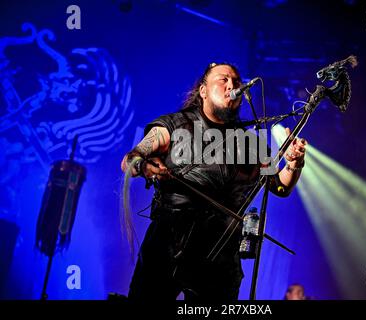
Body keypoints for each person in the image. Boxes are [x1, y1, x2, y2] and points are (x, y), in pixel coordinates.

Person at [120, 62, 307, 301]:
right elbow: (130, 159)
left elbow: (280, 187)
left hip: (221, 256)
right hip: (167, 246)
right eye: (223, 79)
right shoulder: (174, 126)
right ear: (203, 90)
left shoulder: (252, 143)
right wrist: (143, 166)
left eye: (236, 82)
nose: (232, 85)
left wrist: (293, 162)